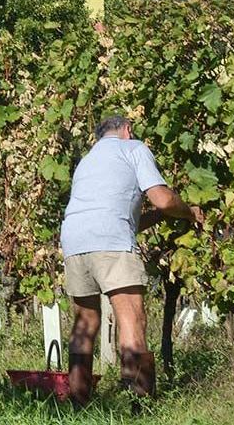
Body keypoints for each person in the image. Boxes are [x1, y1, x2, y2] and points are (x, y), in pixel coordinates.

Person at [59, 114, 202, 406]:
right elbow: (162, 198)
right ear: (128, 129)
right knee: (131, 316)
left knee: (85, 321)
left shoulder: (87, 161)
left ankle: (78, 402)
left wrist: (159, 217)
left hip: (74, 241)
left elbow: (122, 219)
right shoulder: (133, 148)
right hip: (111, 242)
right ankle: (140, 404)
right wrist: (189, 212)